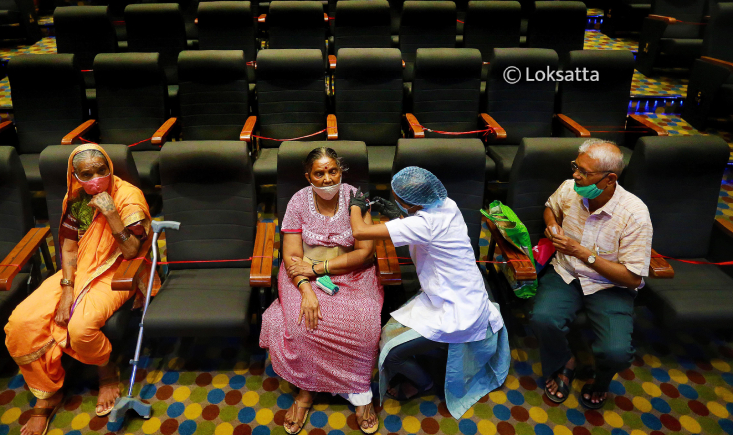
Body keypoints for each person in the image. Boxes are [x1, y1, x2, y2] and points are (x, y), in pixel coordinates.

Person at [5, 144, 153, 435]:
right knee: (21, 322)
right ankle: (47, 394)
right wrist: (68, 290)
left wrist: (111, 215)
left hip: (120, 270)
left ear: (110, 167)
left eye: (102, 170)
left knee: (81, 327)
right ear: (76, 175)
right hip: (79, 270)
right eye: (87, 173)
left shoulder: (128, 197)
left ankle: (107, 374)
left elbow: (133, 252)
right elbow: (70, 249)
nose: (96, 177)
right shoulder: (75, 199)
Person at [347, 168, 509, 419]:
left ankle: (424, 383)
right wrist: (399, 214)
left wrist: (355, 207)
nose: (394, 199)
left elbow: (360, 232)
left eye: (397, 198)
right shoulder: (447, 204)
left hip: (457, 310)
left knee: (390, 352)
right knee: (395, 333)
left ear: (411, 202)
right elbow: (416, 225)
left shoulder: (422, 224)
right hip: (458, 292)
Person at [259, 148, 382, 435]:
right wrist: (306, 289)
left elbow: (364, 253)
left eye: (333, 171)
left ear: (341, 171)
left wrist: (319, 269)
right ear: (308, 176)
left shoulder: (356, 198)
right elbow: (291, 254)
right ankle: (305, 391)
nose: (327, 179)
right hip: (300, 275)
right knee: (303, 325)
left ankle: (360, 392)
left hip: (350, 273)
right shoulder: (298, 201)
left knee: (365, 326)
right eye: (319, 173)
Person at [531, 139, 652, 410]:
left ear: (610, 179)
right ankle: (565, 361)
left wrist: (583, 252)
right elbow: (550, 208)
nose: (576, 175)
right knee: (542, 319)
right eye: (576, 166)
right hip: (567, 274)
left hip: (609, 286)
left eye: (584, 172)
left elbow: (633, 278)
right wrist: (552, 226)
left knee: (617, 353)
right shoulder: (569, 189)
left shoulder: (634, 214)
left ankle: (602, 379)